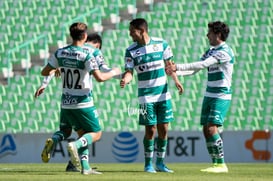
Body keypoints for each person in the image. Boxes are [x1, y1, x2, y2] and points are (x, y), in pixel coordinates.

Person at [39, 22, 121, 175]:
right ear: (84, 36)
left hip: (66, 103)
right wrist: (115, 71)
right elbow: (100, 78)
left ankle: (83, 166)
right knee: (96, 133)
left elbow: (45, 72)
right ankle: (75, 146)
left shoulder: (60, 52)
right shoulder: (87, 55)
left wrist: (59, 67)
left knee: (67, 131)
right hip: (83, 102)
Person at [166, 21, 234, 173]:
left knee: (211, 128)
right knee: (206, 129)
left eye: (209, 32)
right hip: (209, 94)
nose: (207, 35)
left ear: (218, 34)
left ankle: (221, 164)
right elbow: (194, 70)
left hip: (221, 95)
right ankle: (215, 163)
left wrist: (178, 67)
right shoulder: (210, 50)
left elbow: (203, 65)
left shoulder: (224, 52)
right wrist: (174, 73)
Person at [120, 18, 183, 173]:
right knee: (151, 129)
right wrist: (125, 80)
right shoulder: (131, 50)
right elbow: (129, 72)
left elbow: (170, 66)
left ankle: (160, 163)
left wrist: (176, 80)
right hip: (146, 96)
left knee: (164, 128)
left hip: (163, 95)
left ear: (141, 30)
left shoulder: (162, 44)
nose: (130, 34)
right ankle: (148, 164)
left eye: (132, 31)